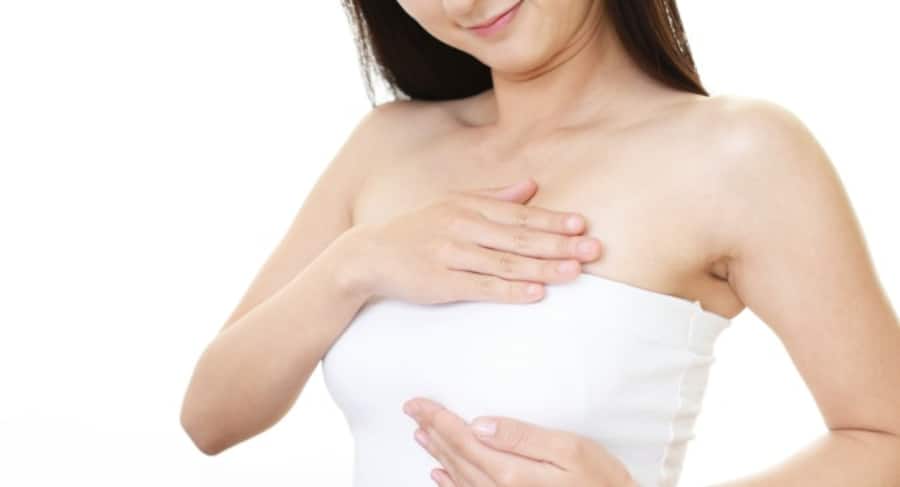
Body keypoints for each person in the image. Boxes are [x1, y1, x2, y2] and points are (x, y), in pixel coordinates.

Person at [180, 1, 900, 486]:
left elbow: (885, 438)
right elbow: (209, 417)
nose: (461, 1)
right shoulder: (386, 146)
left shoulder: (739, 154)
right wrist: (360, 262)